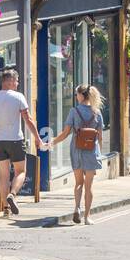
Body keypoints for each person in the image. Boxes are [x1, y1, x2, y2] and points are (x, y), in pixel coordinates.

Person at [0, 69, 45, 217]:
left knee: (4, 175)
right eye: (16, 81)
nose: (17, 84)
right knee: (21, 171)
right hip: (15, 140)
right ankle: (12, 194)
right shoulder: (18, 97)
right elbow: (28, 119)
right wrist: (38, 138)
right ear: (10, 81)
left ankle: (5, 208)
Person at [48, 85, 104, 225]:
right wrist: (99, 153)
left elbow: (66, 133)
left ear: (80, 95)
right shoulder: (97, 113)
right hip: (91, 152)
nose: (75, 97)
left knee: (78, 183)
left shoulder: (74, 111)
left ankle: (77, 207)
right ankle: (87, 217)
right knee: (88, 186)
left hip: (77, 150)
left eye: (76, 95)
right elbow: (100, 137)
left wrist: (53, 142)